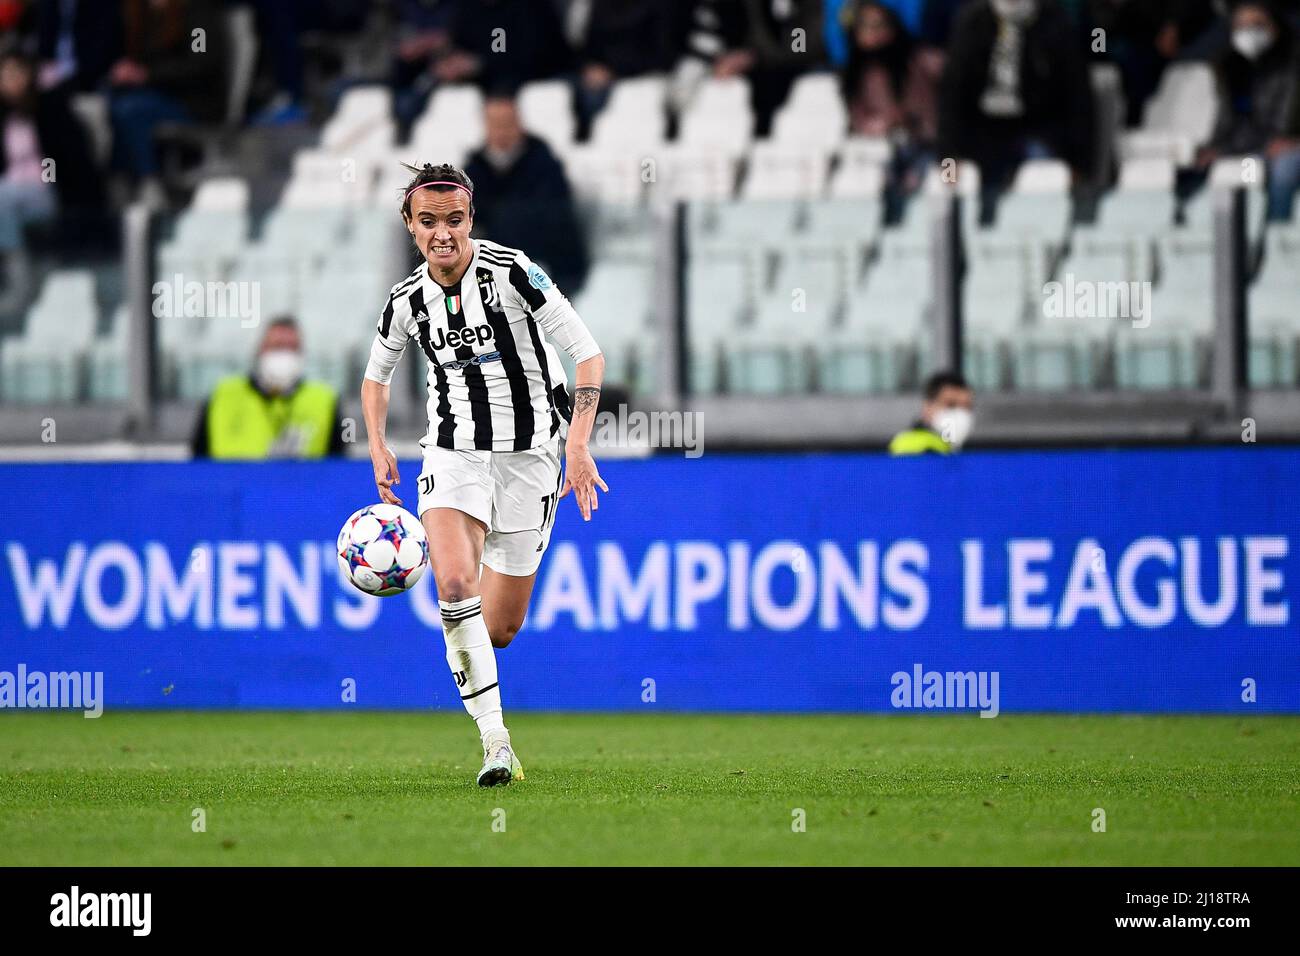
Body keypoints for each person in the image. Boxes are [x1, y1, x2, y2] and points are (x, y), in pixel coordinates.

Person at [361, 162, 606, 788]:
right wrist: (378, 443)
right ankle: (496, 745)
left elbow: (588, 355)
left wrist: (577, 446)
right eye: (428, 222)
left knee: (499, 627)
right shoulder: (405, 301)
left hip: (531, 458)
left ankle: (489, 702)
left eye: (454, 220)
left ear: (470, 220)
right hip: (452, 452)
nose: (442, 234)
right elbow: (376, 377)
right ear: (411, 228)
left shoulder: (515, 274)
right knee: (452, 583)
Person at [937, 0, 1095, 222]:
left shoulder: (1055, 21)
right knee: (963, 191)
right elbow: (951, 98)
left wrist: (1080, 163)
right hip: (981, 134)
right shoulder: (972, 21)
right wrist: (947, 160)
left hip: (1039, 130)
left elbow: (1077, 97)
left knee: (1042, 176)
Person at [463, 91, 590, 293]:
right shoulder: (474, 168)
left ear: (519, 122)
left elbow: (554, 212)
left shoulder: (543, 161)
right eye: (495, 123)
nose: (502, 130)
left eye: (508, 122)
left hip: (546, 265)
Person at [1197, 0, 1300, 220]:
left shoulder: (1292, 65)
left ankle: (1275, 234)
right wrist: (1216, 148)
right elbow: (1227, 122)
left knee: (1283, 168)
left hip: (1282, 149)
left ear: (1275, 27)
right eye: (1241, 26)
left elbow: (1285, 124)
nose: (1249, 32)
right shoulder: (1230, 68)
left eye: (1257, 24)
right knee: (1232, 172)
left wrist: (1283, 142)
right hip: (1252, 151)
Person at [191, 317, 347, 460]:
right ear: (260, 350)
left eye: (292, 348)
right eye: (277, 346)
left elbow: (338, 466)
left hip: (300, 488)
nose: (285, 355)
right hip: (234, 489)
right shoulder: (223, 396)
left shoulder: (324, 401)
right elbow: (198, 461)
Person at [840, 0, 941, 206]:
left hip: (929, 145)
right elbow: (859, 120)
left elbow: (951, 93)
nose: (872, 33)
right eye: (865, 26)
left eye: (878, 26)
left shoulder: (921, 61)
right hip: (886, 146)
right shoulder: (855, 73)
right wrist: (884, 125)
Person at [888, 370, 975, 454]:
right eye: (951, 405)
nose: (961, 414)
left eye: (967, 407)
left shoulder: (956, 450)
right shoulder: (912, 446)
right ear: (928, 407)